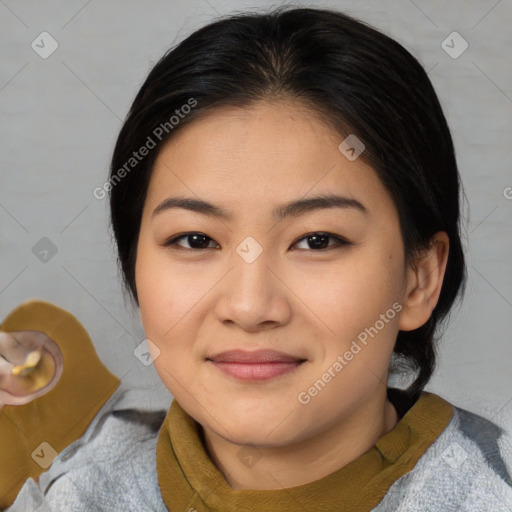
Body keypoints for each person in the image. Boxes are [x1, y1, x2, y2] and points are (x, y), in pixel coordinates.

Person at [2, 5, 512, 511]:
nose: (249, 306)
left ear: (419, 279)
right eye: (196, 240)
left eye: (317, 240)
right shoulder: (65, 491)